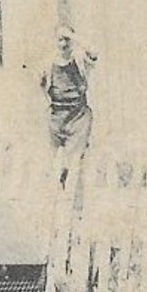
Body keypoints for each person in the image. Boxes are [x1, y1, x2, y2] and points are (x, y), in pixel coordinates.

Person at [40, 26, 97, 186]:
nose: (63, 44)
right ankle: (57, 187)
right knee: (52, 161)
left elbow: (94, 52)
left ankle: (73, 192)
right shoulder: (48, 62)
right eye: (60, 39)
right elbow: (41, 84)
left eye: (67, 40)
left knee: (76, 161)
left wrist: (74, 36)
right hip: (56, 116)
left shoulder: (79, 60)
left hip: (77, 115)